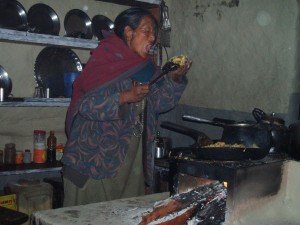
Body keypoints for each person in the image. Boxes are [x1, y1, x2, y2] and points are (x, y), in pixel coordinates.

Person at [62, 7, 192, 207]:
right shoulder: (106, 60)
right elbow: (85, 106)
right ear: (128, 32)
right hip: (93, 165)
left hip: (131, 167)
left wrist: (175, 79)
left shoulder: (146, 68)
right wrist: (124, 97)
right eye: (146, 31)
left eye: (154, 34)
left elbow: (161, 103)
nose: (153, 38)